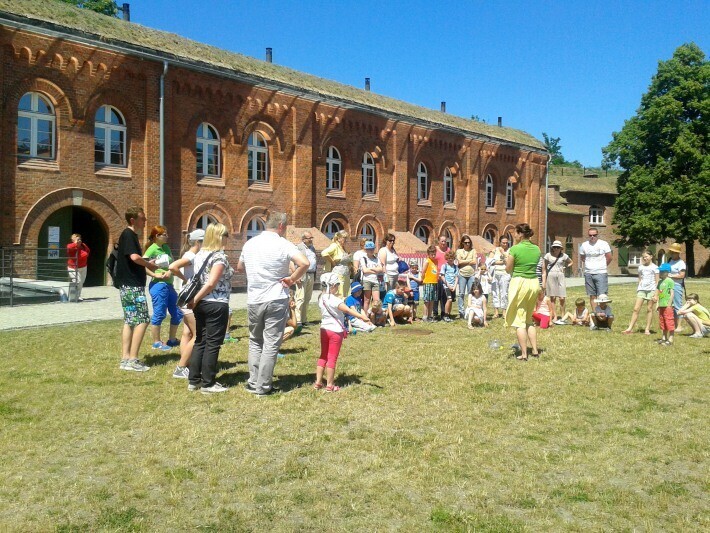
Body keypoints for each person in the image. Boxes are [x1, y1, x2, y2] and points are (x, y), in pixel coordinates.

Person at [238, 212, 309, 396]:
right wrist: (292, 279)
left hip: (255, 298)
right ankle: (263, 386)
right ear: (281, 226)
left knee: (255, 340)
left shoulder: (250, 243)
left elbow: (240, 267)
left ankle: (254, 382)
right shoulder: (283, 243)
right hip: (276, 297)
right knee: (270, 343)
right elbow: (304, 263)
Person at [185, 223, 233, 393]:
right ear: (219, 237)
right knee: (213, 343)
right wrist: (195, 299)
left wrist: (196, 300)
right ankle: (208, 383)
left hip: (201, 305)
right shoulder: (219, 257)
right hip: (216, 303)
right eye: (226, 235)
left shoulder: (200, 254)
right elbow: (211, 283)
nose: (228, 238)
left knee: (201, 340)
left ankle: (194, 380)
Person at [115, 207, 161, 372]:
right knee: (143, 320)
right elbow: (134, 257)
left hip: (126, 286)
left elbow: (134, 259)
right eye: (142, 218)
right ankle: (133, 359)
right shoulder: (129, 235)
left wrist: (147, 264)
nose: (145, 221)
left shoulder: (128, 235)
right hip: (133, 286)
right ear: (133, 220)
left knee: (130, 321)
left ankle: (125, 359)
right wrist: (149, 264)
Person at [314, 273, 371, 392]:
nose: (338, 287)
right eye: (337, 285)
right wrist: (362, 317)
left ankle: (318, 382)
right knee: (332, 358)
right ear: (333, 285)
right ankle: (330, 385)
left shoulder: (321, 298)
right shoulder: (335, 300)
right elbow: (348, 310)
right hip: (335, 331)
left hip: (324, 329)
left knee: (323, 355)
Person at [168, 228, 204, 378]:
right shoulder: (191, 255)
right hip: (190, 298)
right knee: (199, 334)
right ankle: (181, 366)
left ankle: (186, 364)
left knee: (187, 333)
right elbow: (173, 266)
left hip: (186, 298)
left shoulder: (190, 254)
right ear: (198, 242)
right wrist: (186, 280)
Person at [505, 223, 542, 361]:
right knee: (528, 319)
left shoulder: (515, 249)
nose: (514, 235)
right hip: (534, 283)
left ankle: (524, 354)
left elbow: (508, 269)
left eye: (515, 233)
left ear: (520, 234)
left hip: (520, 283)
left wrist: (506, 260)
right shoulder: (537, 249)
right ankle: (535, 350)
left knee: (519, 320)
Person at [144, 226, 182, 351]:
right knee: (160, 313)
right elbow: (143, 265)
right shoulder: (151, 249)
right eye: (164, 234)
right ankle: (156, 342)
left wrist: (170, 272)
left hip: (169, 285)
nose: (167, 236)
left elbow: (173, 263)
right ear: (157, 236)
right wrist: (155, 275)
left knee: (177, 312)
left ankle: (172, 340)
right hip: (158, 285)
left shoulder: (166, 247)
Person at [623, 251, 659, 335]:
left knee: (649, 309)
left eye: (646, 256)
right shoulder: (641, 267)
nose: (645, 258)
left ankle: (647, 329)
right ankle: (629, 328)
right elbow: (640, 278)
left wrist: (656, 294)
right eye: (643, 257)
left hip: (651, 290)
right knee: (636, 309)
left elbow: (657, 281)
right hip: (642, 290)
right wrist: (639, 287)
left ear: (651, 257)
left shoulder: (655, 267)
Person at [579, 229, 612, 310]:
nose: (592, 237)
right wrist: (590, 266)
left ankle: (603, 314)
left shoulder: (604, 244)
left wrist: (602, 266)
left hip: (601, 273)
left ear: (597, 235)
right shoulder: (584, 245)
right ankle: (595, 313)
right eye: (590, 235)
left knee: (602, 296)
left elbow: (609, 257)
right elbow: (583, 258)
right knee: (592, 295)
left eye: (594, 235)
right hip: (588, 273)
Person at [543, 240, 573, 321]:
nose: (556, 249)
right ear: (552, 248)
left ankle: (563, 315)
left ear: (561, 248)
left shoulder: (564, 255)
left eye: (558, 247)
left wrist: (565, 267)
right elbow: (544, 268)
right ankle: (554, 315)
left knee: (562, 297)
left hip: (560, 275)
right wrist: (544, 280)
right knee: (552, 297)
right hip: (551, 275)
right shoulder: (548, 255)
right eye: (555, 247)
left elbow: (571, 262)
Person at [294, 231, 318, 328]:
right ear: (303, 239)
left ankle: (304, 320)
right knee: (300, 298)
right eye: (309, 238)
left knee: (307, 298)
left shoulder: (312, 248)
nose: (311, 239)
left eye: (312, 238)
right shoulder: (299, 248)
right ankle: (297, 320)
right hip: (302, 274)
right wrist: (297, 275)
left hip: (311, 274)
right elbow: (294, 262)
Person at [321, 230, 351, 298]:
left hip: (346, 275)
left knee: (346, 295)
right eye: (344, 238)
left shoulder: (343, 248)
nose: (346, 240)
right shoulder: (335, 245)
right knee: (339, 294)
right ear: (339, 238)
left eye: (346, 238)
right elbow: (324, 253)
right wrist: (332, 262)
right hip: (338, 274)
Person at [455, 235, 478, 319]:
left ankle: (469, 311)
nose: (467, 244)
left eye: (469, 242)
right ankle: (461, 312)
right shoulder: (459, 251)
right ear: (462, 243)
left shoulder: (473, 250)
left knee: (471, 293)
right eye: (465, 242)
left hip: (471, 274)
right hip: (462, 274)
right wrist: (469, 261)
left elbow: (474, 262)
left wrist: (464, 261)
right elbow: (459, 262)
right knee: (461, 293)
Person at [667, 243, 687, 332]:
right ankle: (673, 324)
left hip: (677, 285)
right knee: (670, 305)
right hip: (669, 285)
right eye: (671, 252)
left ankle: (679, 326)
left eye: (674, 252)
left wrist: (671, 275)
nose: (672, 253)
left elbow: (682, 275)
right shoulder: (670, 261)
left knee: (677, 305)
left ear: (678, 253)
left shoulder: (681, 263)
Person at [491, 236, 511, 319]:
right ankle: (496, 311)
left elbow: (508, 262)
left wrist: (503, 253)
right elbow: (491, 261)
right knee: (495, 292)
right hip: (495, 273)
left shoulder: (510, 251)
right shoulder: (495, 250)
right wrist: (502, 262)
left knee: (504, 293)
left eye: (506, 243)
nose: (505, 244)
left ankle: (504, 311)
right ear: (500, 242)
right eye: (503, 243)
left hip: (505, 273)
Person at [360, 240, 383, 313]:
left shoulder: (377, 259)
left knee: (377, 300)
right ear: (366, 250)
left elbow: (381, 269)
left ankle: (376, 316)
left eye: (372, 249)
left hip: (375, 281)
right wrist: (375, 270)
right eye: (369, 249)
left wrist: (370, 269)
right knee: (367, 300)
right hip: (366, 280)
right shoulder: (363, 258)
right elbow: (365, 270)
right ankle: (366, 316)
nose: (371, 251)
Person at [66, 233, 90, 302]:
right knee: (77, 281)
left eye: (79, 239)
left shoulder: (83, 246)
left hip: (83, 267)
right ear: (73, 240)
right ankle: (73, 295)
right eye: (77, 239)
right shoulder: (71, 246)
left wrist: (85, 255)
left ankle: (78, 296)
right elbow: (69, 248)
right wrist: (75, 243)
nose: (79, 240)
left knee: (81, 282)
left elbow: (88, 251)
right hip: (73, 267)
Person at [656, 263, 675, 346]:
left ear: (667, 272)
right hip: (661, 305)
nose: (660, 273)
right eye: (660, 271)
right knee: (662, 321)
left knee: (669, 321)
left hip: (668, 306)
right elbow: (658, 294)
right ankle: (664, 337)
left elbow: (672, 293)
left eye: (662, 272)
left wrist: (669, 304)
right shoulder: (660, 282)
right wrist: (657, 304)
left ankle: (671, 338)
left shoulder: (670, 281)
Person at [421, 245, 439, 322]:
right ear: (428, 254)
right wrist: (422, 280)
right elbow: (423, 272)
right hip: (428, 282)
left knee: (432, 300)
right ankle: (425, 316)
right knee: (427, 300)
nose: (433, 256)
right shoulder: (427, 261)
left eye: (434, 254)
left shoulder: (436, 261)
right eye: (432, 254)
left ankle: (430, 316)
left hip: (434, 282)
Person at [433, 234, 450, 319]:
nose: (444, 243)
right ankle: (435, 313)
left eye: (445, 241)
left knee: (444, 296)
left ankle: (444, 313)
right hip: (436, 276)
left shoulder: (448, 250)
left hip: (445, 277)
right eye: (442, 241)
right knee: (436, 296)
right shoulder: (435, 249)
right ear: (438, 241)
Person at [440, 250, 458, 322]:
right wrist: (448, 285)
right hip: (446, 286)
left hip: (453, 286)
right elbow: (442, 276)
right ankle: (445, 315)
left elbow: (456, 277)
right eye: (449, 258)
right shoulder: (444, 266)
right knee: (449, 299)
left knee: (451, 301)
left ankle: (449, 314)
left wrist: (455, 286)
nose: (451, 259)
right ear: (447, 258)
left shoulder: (455, 267)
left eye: (452, 258)